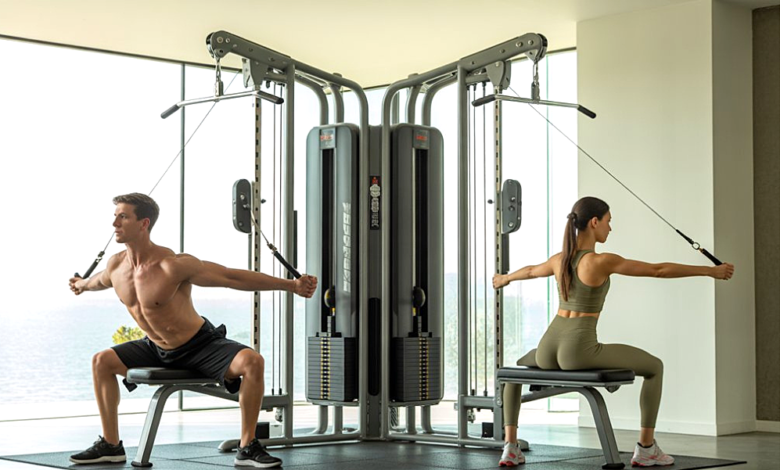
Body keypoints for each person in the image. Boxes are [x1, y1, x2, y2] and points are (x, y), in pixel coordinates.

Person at [67, 193, 317, 468]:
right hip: (155, 347)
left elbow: (230, 277)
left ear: (143, 223)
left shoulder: (172, 265)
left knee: (252, 362)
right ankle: (111, 445)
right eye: (115, 216)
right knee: (101, 361)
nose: (115, 223)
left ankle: (247, 446)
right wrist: (80, 284)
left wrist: (291, 285)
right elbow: (97, 281)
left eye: (123, 217)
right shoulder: (116, 265)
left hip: (199, 346)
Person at [492, 196, 734, 467]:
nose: (611, 228)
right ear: (594, 222)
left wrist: (505, 279)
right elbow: (658, 270)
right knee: (655, 367)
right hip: (578, 351)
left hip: (547, 348)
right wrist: (710, 271)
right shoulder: (601, 261)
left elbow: (530, 271)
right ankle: (646, 448)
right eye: (609, 221)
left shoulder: (560, 259)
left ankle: (510, 447)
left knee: (513, 373)